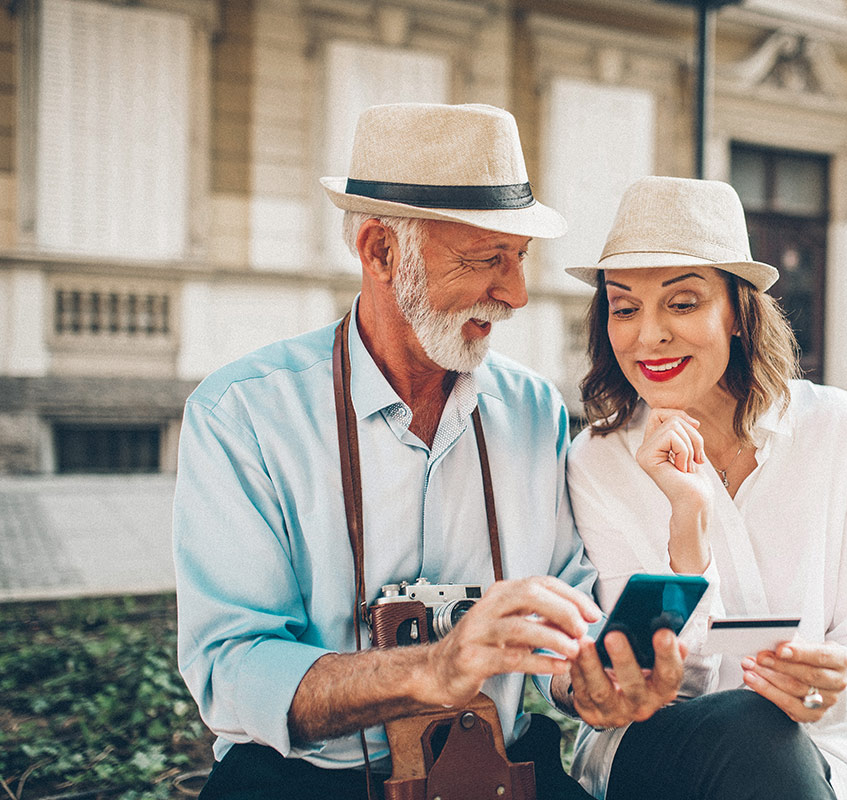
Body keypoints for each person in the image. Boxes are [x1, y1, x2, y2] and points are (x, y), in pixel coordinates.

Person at [173, 104, 685, 800]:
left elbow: (568, 606)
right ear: (381, 252)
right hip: (307, 782)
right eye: (486, 261)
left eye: (520, 259)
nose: (516, 293)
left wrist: (586, 680)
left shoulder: (533, 410)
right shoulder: (243, 416)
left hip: (497, 774)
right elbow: (231, 669)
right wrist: (431, 670)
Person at [563, 176, 847, 800]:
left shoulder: (838, 430)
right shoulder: (596, 461)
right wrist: (687, 523)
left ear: (739, 313)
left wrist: (834, 680)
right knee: (749, 724)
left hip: (820, 750)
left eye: (683, 302)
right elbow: (649, 685)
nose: (649, 336)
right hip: (659, 751)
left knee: (767, 733)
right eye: (624, 307)